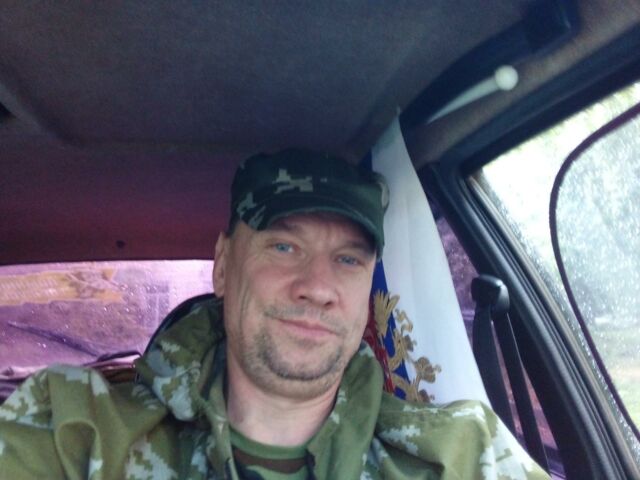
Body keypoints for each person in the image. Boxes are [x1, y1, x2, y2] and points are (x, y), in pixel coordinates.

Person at [0, 149, 549, 479]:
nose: (319, 288)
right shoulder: (75, 430)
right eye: (284, 247)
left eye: (348, 259)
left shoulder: (463, 455)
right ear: (222, 266)